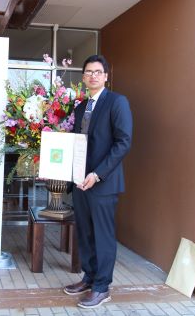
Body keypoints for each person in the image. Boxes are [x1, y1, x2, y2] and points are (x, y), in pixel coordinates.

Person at [63, 55, 132, 308]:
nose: (93, 75)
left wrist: (97, 174)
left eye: (98, 71)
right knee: (85, 232)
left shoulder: (117, 102)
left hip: (103, 183)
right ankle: (89, 277)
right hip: (81, 182)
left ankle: (102, 287)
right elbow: (77, 144)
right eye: (88, 72)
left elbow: (123, 142)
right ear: (83, 77)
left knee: (102, 235)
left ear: (105, 76)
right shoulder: (81, 107)